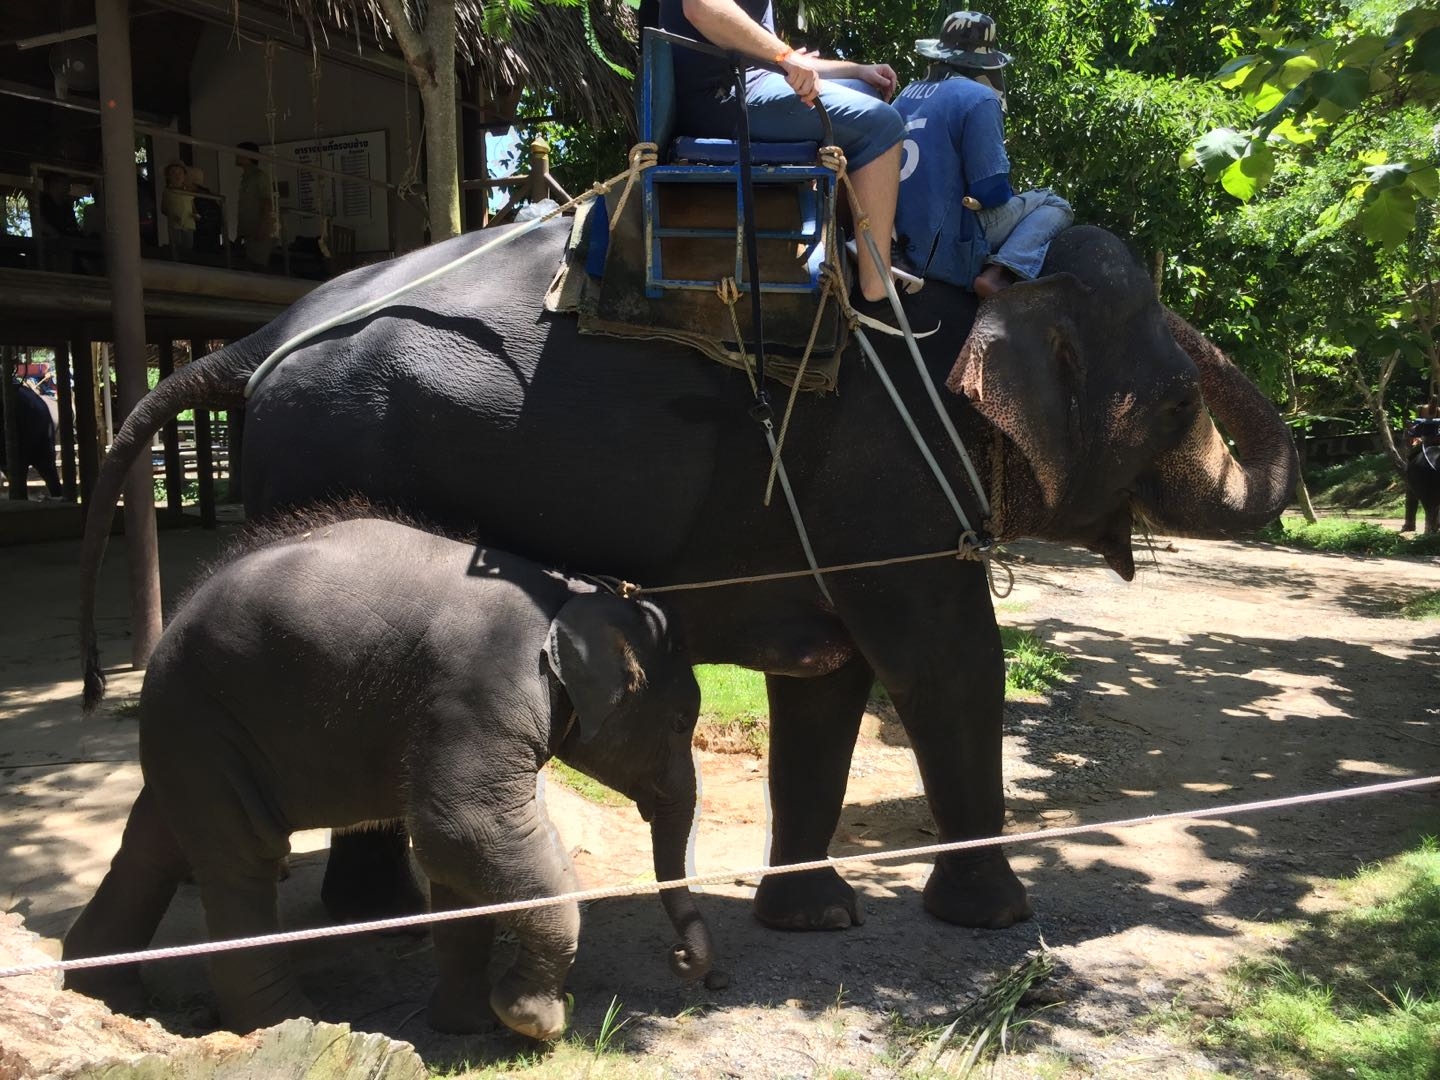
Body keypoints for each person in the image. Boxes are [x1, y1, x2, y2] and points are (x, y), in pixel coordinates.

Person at [659, 0, 914, 320]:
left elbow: (777, 56)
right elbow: (700, 7)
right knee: (884, 125)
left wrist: (857, 70)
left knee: (867, 90)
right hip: (722, 99)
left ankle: (849, 239)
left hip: (748, 82)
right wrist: (786, 57)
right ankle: (877, 284)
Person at [892, 11, 1073, 298]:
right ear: (983, 62)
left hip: (897, 230)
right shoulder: (979, 98)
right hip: (947, 239)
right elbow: (990, 191)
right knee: (1054, 203)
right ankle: (1000, 272)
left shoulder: (906, 93)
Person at [234, 141, 277, 270]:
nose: (236, 156)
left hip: (257, 232)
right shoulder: (246, 178)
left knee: (257, 268)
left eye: (239, 153)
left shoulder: (259, 176)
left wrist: (262, 228)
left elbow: (267, 203)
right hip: (248, 233)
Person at [186, 165, 225, 255]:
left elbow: (204, 220)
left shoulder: (201, 199)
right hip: (209, 241)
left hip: (204, 244)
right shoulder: (207, 197)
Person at [160, 161, 195, 253]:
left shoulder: (188, 191)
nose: (177, 176)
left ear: (184, 176)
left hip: (188, 224)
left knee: (188, 248)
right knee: (176, 248)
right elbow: (163, 208)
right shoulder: (168, 192)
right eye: (173, 173)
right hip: (175, 225)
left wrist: (195, 215)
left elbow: (192, 205)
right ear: (168, 176)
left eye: (180, 173)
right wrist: (172, 215)